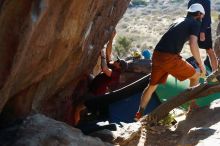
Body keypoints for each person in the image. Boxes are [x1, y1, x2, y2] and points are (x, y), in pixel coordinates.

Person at [135, 3, 206, 120]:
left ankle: (138, 115)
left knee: (152, 86)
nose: (202, 18)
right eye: (202, 15)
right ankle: (193, 108)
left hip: (157, 55)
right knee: (195, 76)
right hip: (169, 57)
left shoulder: (179, 20)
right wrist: (201, 64)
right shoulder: (195, 22)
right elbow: (193, 44)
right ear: (198, 14)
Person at [188, 0, 218, 72]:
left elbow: (207, 16)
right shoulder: (191, 1)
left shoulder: (206, 1)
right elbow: (188, 15)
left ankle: (215, 73)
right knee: (193, 47)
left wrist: (202, 31)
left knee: (209, 50)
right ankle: (201, 71)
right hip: (193, 27)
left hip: (204, 29)